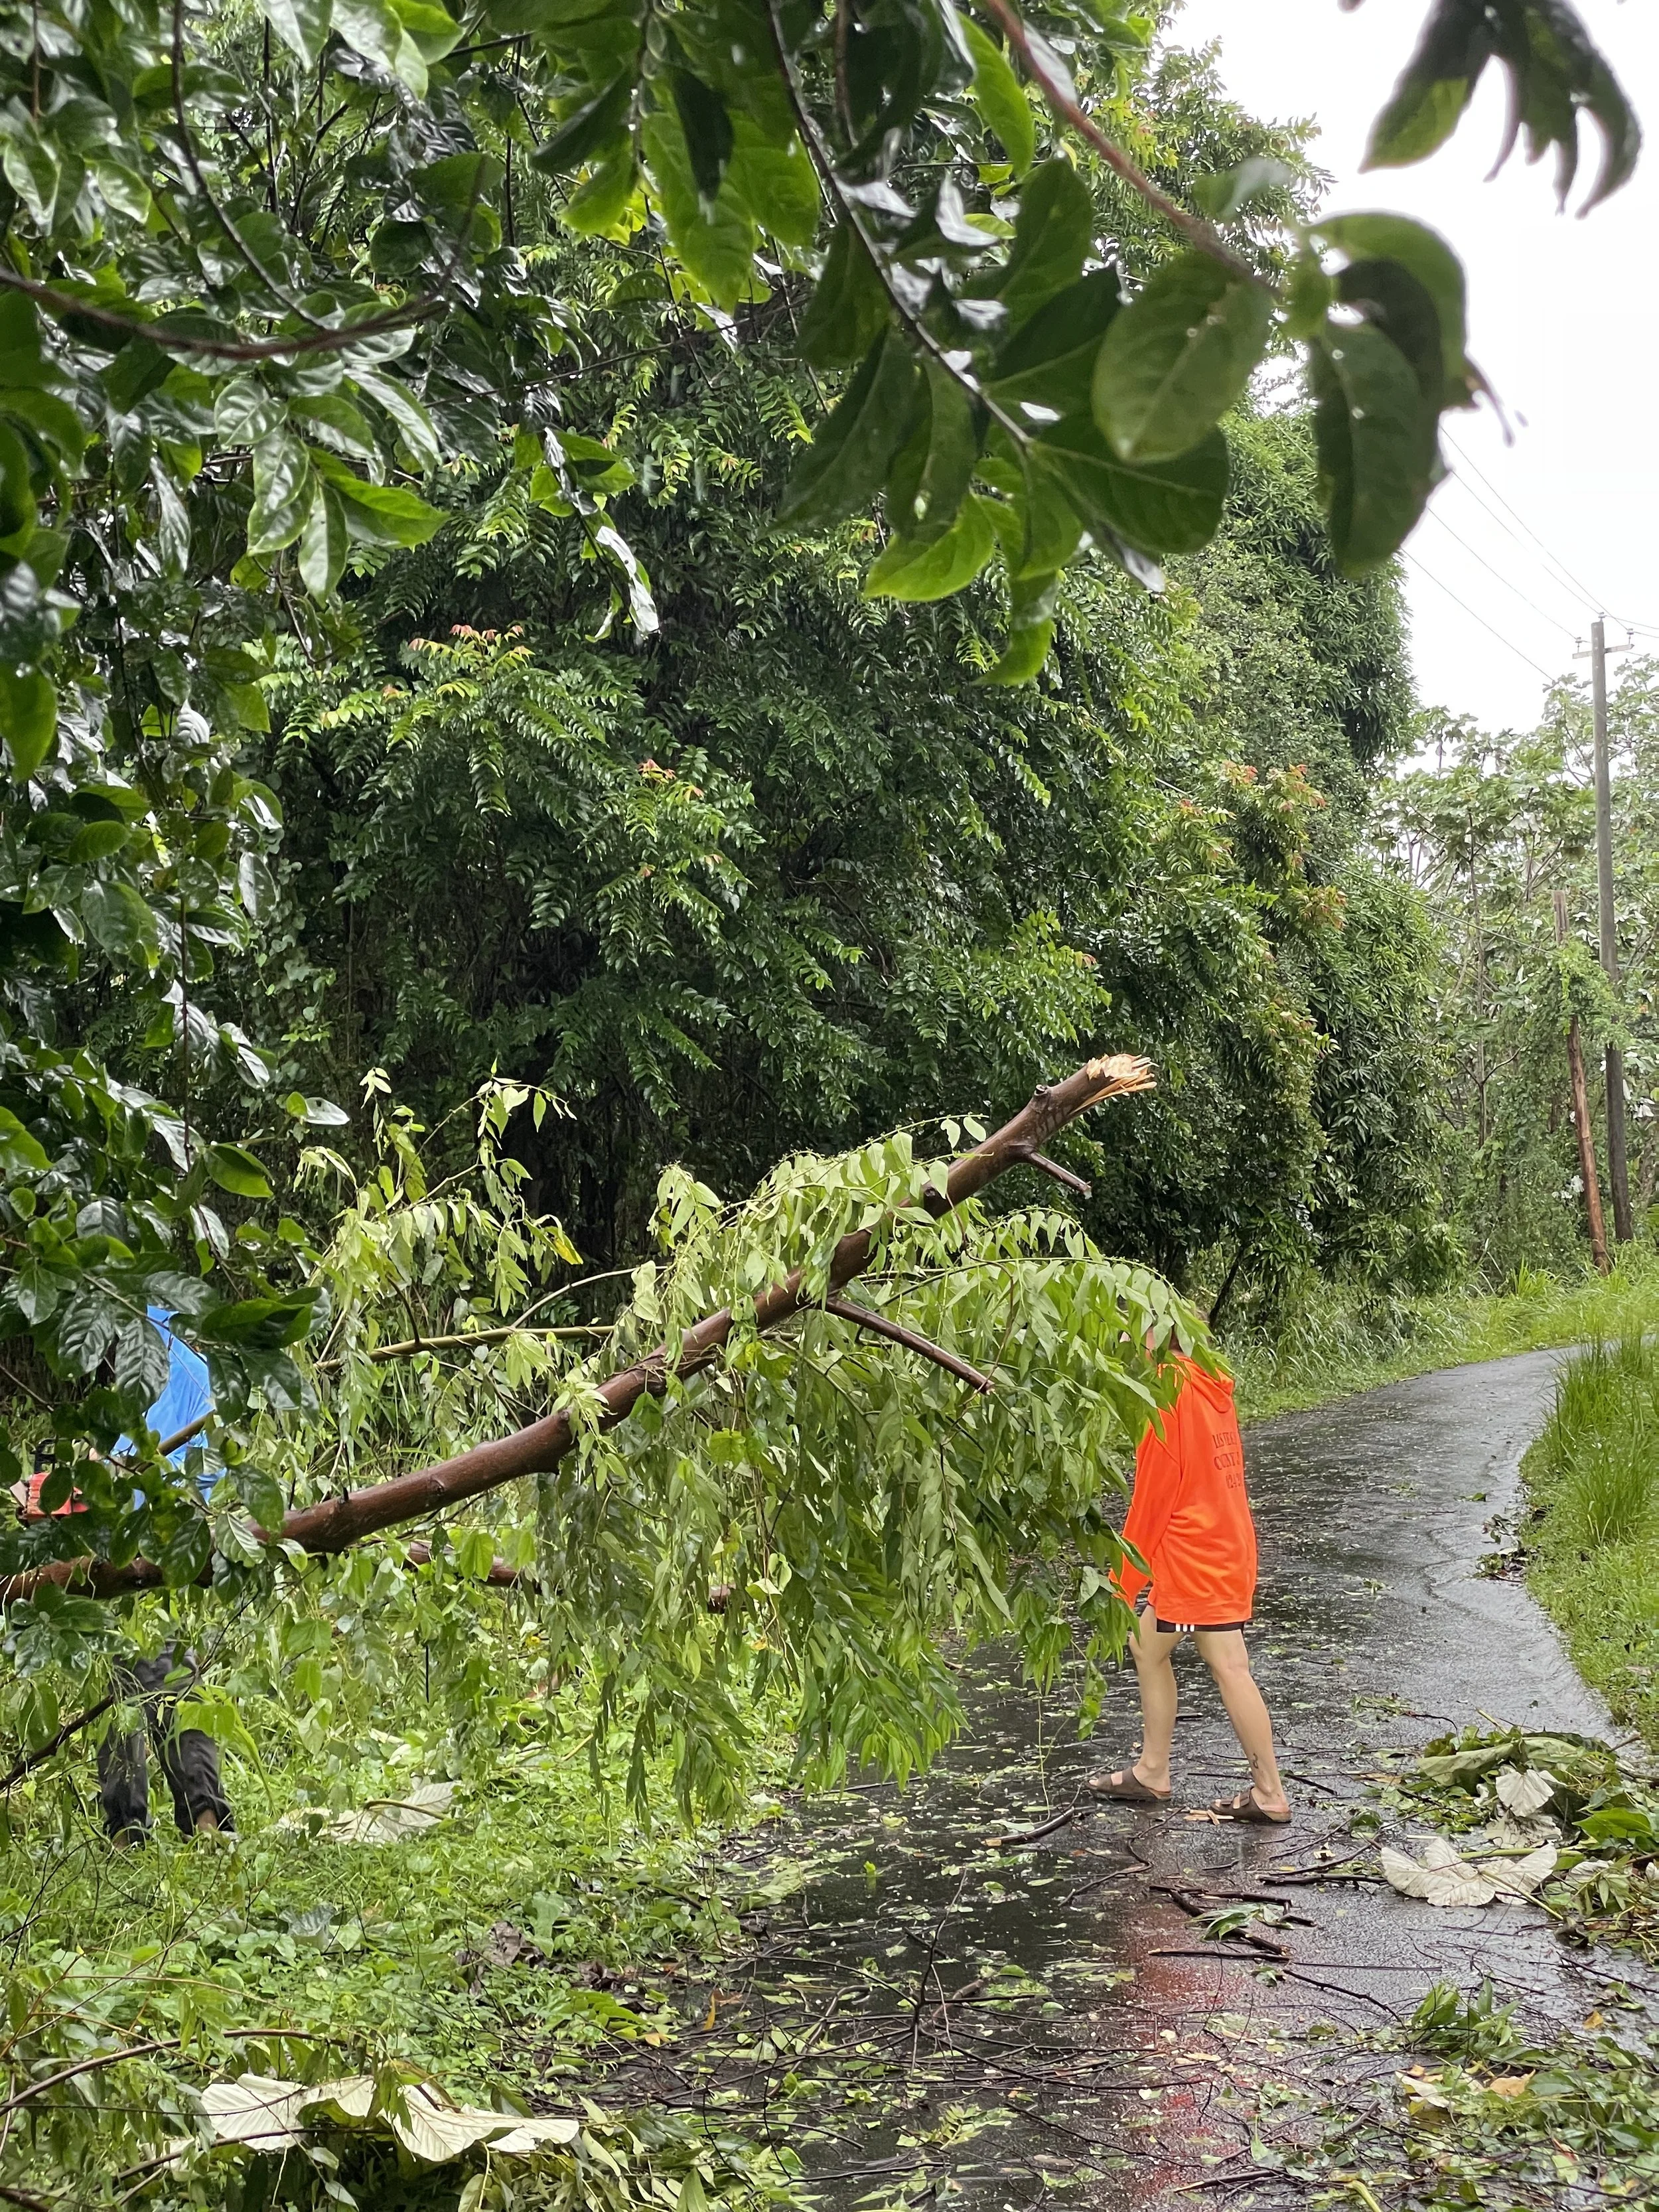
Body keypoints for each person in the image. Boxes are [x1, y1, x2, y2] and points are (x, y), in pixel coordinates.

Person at [14, 1310, 236, 1846]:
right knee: (152, 1687)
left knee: (143, 1685)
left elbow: (124, 1478)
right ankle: (183, 1820)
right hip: (147, 1555)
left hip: (143, 1551)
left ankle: (150, 1825)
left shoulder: (176, 1388)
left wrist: (51, 1496)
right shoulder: (166, 1387)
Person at [1088, 1349, 1290, 1824]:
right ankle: (1152, 1770)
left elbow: (1153, 1498)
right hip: (1221, 1540)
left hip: (1196, 1554)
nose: (1126, 1337)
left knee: (1229, 1664)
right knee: (1146, 1645)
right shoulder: (1207, 1380)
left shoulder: (1168, 1389)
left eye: (1135, 1325)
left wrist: (1122, 1584)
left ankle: (1270, 1792)